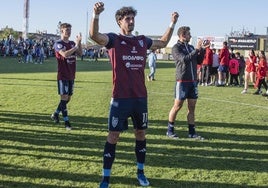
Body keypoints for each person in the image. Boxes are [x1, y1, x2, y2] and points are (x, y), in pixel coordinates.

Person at [89, 2, 178, 187]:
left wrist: (172, 24)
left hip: (140, 99)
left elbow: (163, 42)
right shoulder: (113, 40)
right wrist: (95, 15)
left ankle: (140, 172)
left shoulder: (142, 41)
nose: (131, 21)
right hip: (120, 99)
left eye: (132, 18)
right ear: (119, 22)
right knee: (113, 136)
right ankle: (105, 178)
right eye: (127, 19)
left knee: (141, 134)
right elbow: (94, 36)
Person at [166, 26, 206, 139]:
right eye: (188, 34)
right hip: (182, 81)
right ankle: (170, 130)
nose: (190, 36)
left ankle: (192, 132)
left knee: (192, 108)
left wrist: (202, 50)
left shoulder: (191, 47)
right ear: (182, 35)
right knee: (177, 106)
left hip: (193, 82)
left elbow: (198, 61)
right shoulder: (176, 48)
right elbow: (184, 59)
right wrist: (197, 50)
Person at [50, 23, 82, 130]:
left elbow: (80, 53)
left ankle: (55, 114)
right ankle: (67, 122)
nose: (69, 31)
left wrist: (79, 43)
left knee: (67, 99)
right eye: (67, 30)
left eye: (70, 30)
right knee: (64, 98)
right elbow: (65, 54)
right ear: (62, 31)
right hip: (63, 75)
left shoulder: (73, 43)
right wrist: (76, 47)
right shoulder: (58, 43)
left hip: (71, 75)